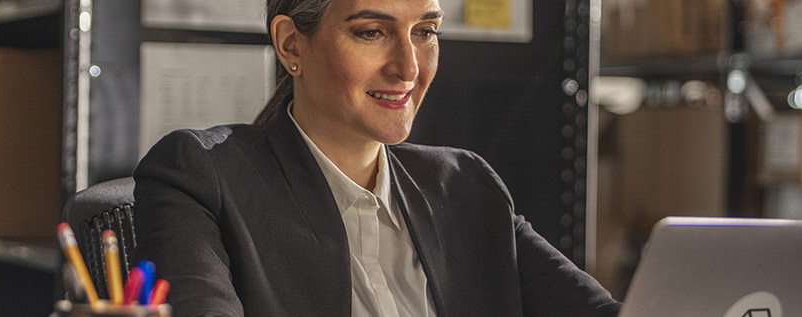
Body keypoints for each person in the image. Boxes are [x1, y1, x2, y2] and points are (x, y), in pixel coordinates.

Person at [131, 0, 621, 316]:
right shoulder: (201, 176)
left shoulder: (466, 186)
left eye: (425, 31)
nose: (408, 67)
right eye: (371, 32)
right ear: (290, 43)